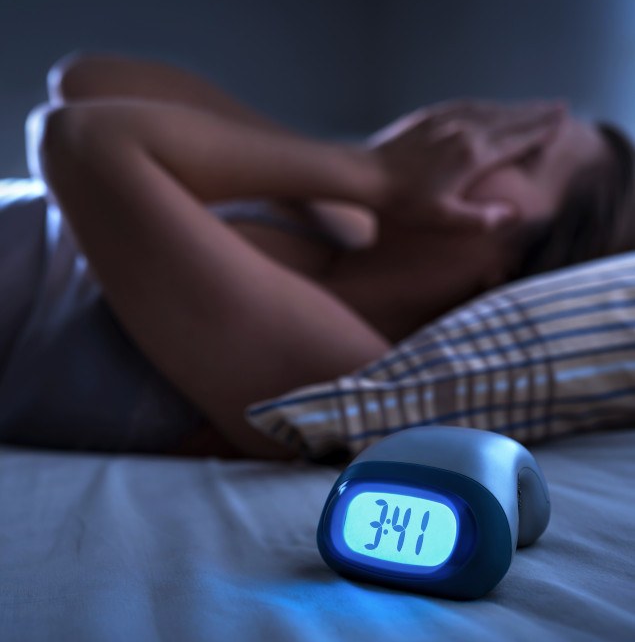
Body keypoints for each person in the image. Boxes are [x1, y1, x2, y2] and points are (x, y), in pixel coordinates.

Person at [2, 51, 634, 462]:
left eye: (521, 154)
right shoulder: (338, 215)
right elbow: (87, 82)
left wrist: (377, 172)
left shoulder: (341, 367)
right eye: (508, 119)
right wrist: (360, 171)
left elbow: (79, 138)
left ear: (518, 268)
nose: (477, 133)